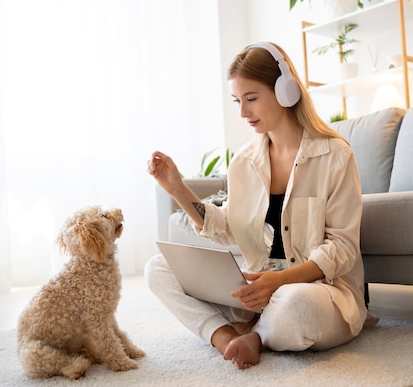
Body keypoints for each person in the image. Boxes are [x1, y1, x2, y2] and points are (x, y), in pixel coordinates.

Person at [145, 41, 369, 370]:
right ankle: (226, 338)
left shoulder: (335, 155)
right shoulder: (243, 163)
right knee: (158, 268)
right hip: (260, 292)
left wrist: (277, 282)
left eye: (251, 99)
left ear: (286, 91)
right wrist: (177, 188)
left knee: (298, 306)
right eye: (238, 101)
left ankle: (256, 336)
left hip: (316, 291)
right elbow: (229, 229)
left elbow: (343, 248)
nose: (243, 112)